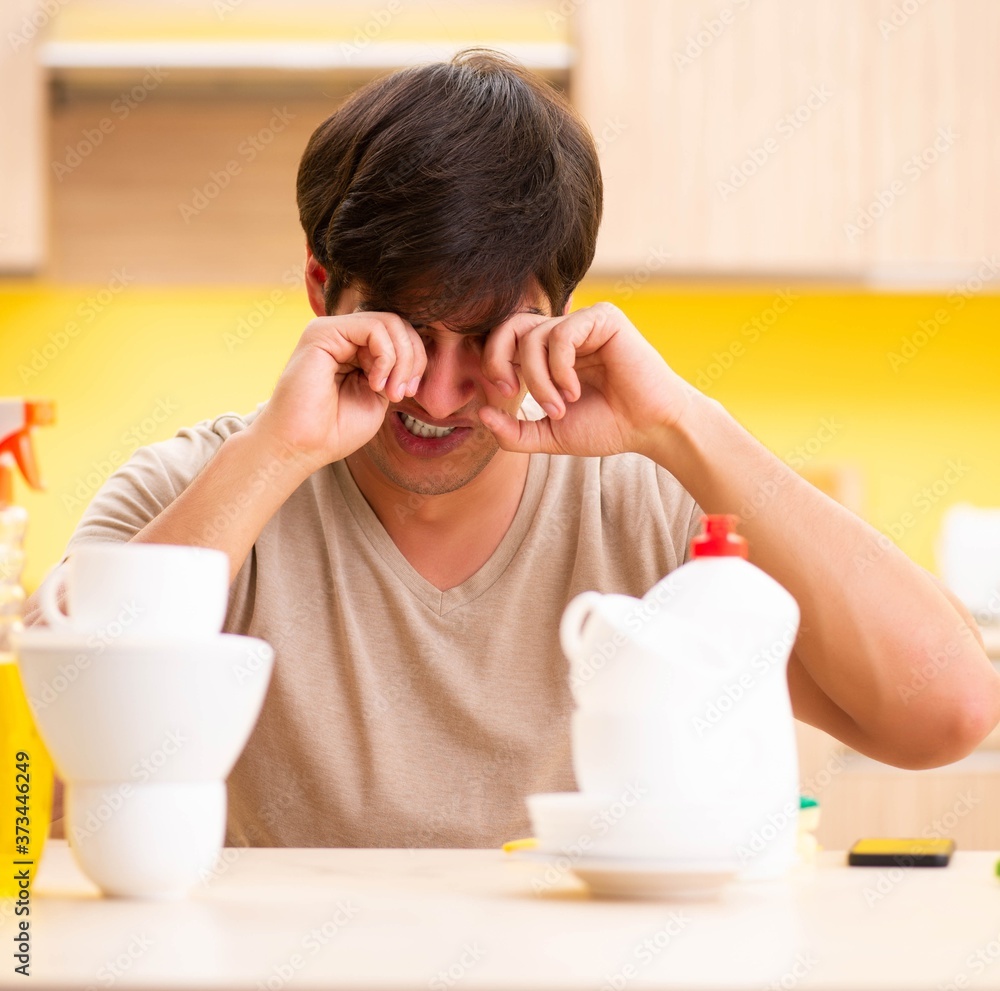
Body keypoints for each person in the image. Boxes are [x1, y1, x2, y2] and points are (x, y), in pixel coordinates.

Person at [27, 49, 1000, 849]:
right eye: (404, 336)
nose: (442, 395)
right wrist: (276, 453)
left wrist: (682, 425)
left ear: (558, 320)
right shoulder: (196, 489)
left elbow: (949, 712)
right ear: (324, 296)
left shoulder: (656, 515)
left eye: (488, 339)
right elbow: (77, 744)